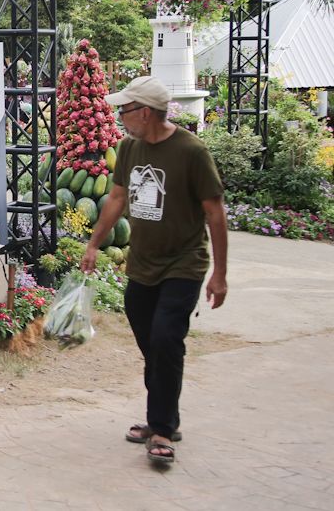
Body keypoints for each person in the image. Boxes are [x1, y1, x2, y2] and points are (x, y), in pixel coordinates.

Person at [81, 75, 228, 466]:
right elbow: (117, 197)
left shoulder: (192, 152)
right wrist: (94, 243)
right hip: (142, 263)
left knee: (166, 340)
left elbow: (215, 212)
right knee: (152, 344)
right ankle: (162, 415)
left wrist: (220, 274)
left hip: (184, 263)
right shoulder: (129, 148)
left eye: (124, 111)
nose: (119, 117)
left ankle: (162, 428)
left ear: (144, 113)